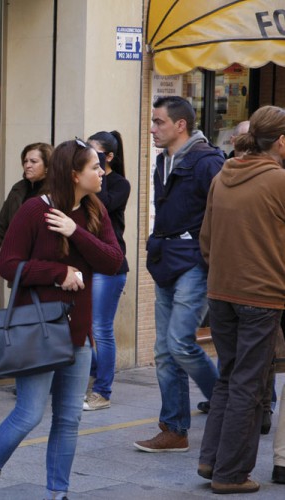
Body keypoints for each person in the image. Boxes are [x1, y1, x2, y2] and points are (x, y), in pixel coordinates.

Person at [0, 139, 123, 500]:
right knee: (29, 414)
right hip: (38, 329)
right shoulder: (33, 211)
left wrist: (75, 232)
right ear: (74, 174)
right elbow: (8, 265)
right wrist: (58, 272)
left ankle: (58, 493)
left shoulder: (94, 209)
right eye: (94, 168)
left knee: (69, 418)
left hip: (78, 332)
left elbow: (113, 260)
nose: (101, 173)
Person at [196, 105, 285, 494]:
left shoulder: (223, 175)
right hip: (261, 295)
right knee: (250, 386)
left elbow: (207, 241)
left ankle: (210, 460)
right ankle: (230, 474)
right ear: (280, 141)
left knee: (227, 379)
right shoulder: (278, 180)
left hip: (221, 292)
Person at [135, 96, 223, 453]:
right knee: (164, 350)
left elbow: (222, 214)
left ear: (180, 125)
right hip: (165, 260)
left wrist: (209, 258)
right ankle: (174, 429)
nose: (153, 129)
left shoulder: (208, 161)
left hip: (193, 262)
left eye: (159, 122)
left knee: (180, 343)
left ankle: (226, 402)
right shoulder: (163, 161)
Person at [83, 131, 131, 411]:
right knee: (79, 325)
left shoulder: (118, 184)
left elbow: (104, 206)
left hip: (110, 266)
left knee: (101, 328)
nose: (89, 156)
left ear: (109, 157)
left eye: (95, 152)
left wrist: (95, 176)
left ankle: (103, 391)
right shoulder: (85, 181)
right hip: (86, 263)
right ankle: (94, 371)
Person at [0, 143, 53, 275]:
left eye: (33, 161)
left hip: (44, 266)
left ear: (47, 166)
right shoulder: (19, 189)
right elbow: (1, 224)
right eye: (25, 161)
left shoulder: (55, 193)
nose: (27, 165)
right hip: (19, 263)